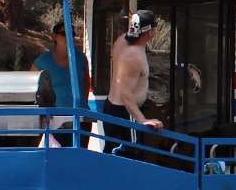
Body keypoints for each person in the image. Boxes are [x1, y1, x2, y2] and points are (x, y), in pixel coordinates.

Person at [104, 9, 163, 156]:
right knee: (127, 157)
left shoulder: (121, 39)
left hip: (112, 107)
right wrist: (142, 120)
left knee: (111, 154)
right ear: (149, 32)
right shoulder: (134, 57)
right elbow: (125, 93)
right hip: (125, 111)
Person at [34, 20, 90, 146]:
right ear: (55, 36)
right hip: (55, 119)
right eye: (64, 33)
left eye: (72, 34)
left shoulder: (80, 58)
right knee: (58, 156)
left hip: (79, 116)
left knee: (78, 156)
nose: (69, 37)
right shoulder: (43, 60)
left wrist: (83, 102)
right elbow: (32, 87)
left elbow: (85, 81)